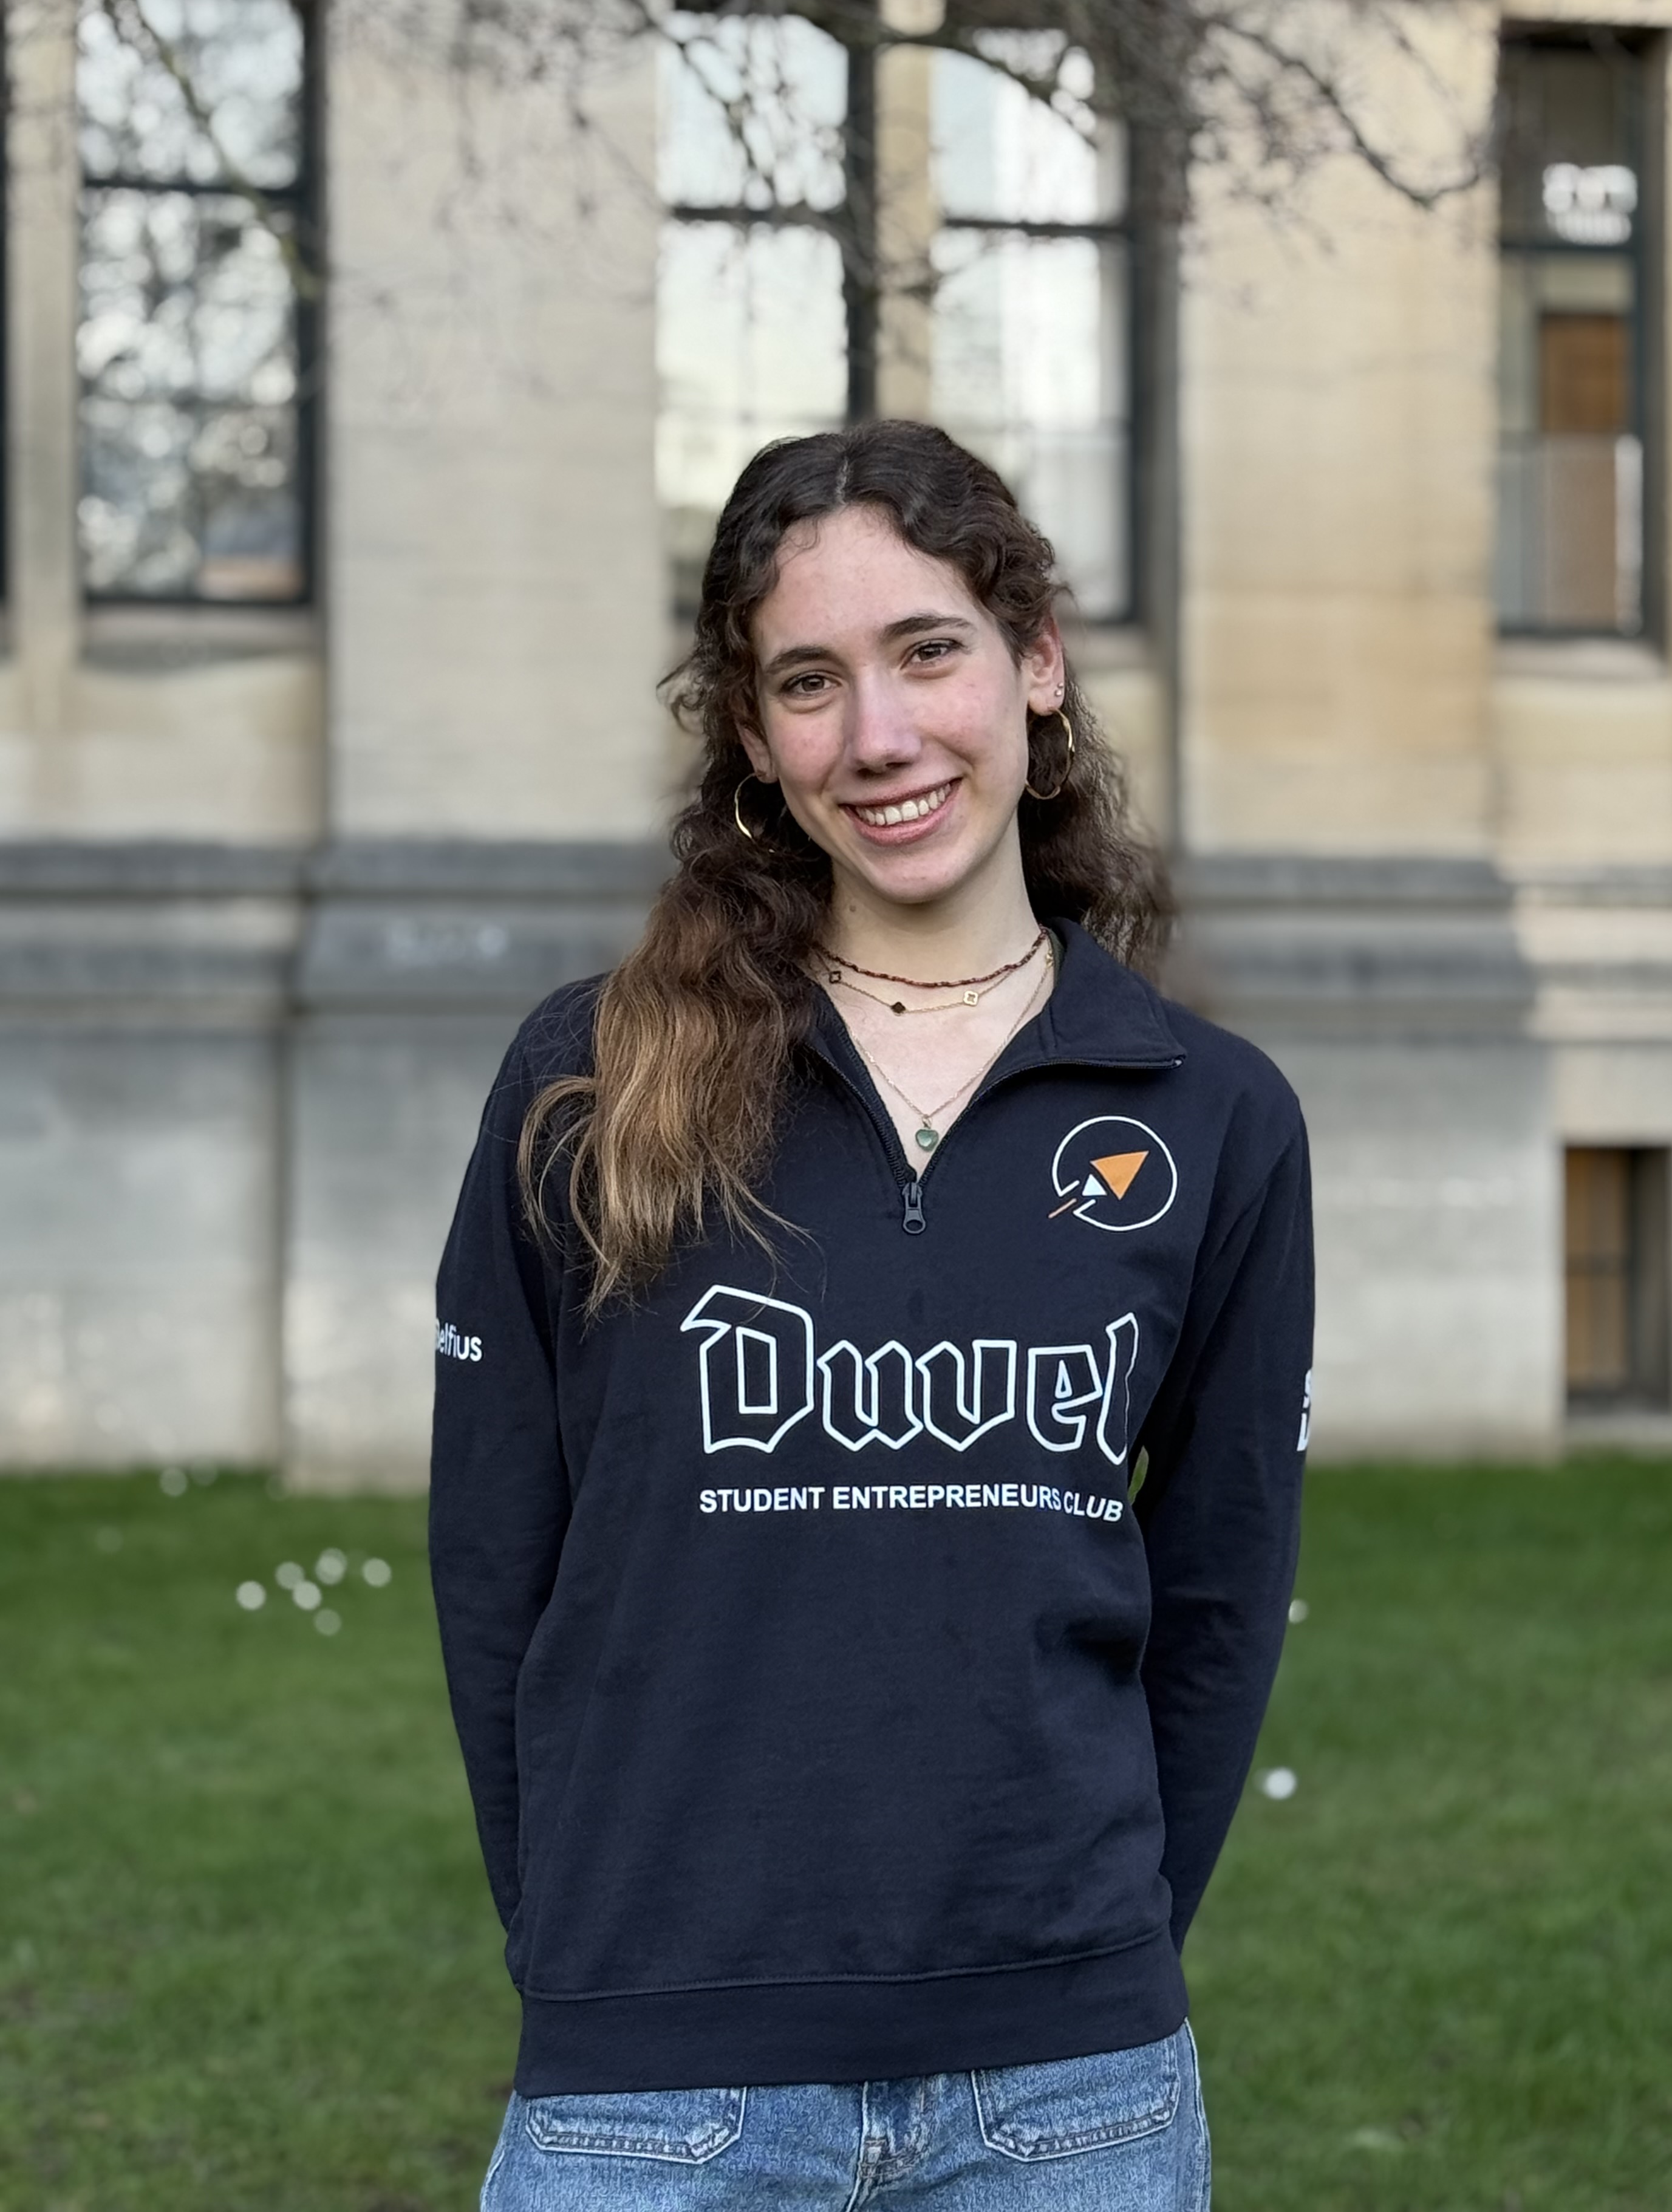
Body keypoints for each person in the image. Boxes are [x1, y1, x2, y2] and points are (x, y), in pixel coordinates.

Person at [430, 420, 1313, 2210]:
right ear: (752, 737)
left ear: (1036, 663)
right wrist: (590, 1946)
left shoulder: (1209, 1115)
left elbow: (1219, 1604)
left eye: (930, 653)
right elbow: (492, 1561)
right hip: (653, 2086)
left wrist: (1095, 1952)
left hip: (1071, 2102)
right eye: (809, 682)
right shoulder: (589, 1079)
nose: (882, 737)